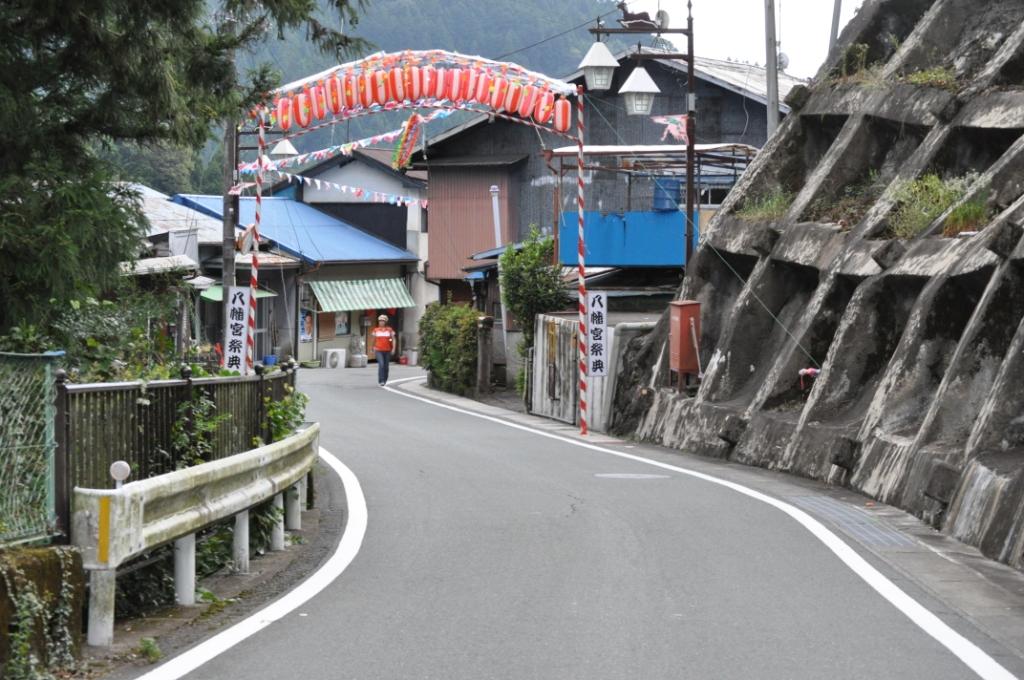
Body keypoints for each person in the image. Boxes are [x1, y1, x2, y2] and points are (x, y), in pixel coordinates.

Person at [371, 313, 396, 386]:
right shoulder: (375, 330)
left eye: (383, 321)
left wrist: (393, 349)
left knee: (386, 366)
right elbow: (373, 339)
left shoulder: (389, 330)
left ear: (385, 322)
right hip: (378, 350)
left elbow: (394, 339)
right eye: (380, 321)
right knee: (381, 364)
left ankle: (385, 379)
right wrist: (372, 348)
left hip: (387, 350)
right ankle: (381, 380)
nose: (381, 322)